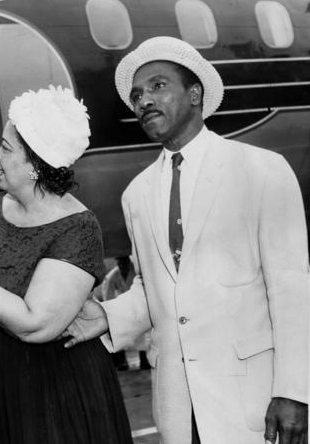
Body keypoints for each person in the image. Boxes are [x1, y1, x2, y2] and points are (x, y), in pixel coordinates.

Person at [63, 36, 309, 444]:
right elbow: (156, 288)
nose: (143, 101)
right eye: (137, 95)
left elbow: (292, 288)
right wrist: (107, 317)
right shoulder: (136, 194)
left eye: (157, 86)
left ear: (195, 94)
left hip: (254, 401)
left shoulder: (262, 169)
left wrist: (295, 392)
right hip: (179, 408)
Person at [0, 85, 133, 444]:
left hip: (55, 387)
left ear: (35, 165)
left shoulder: (78, 227)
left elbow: (35, 324)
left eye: (7, 148)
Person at [100, 256, 150, 371]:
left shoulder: (138, 272)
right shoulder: (112, 276)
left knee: (143, 334)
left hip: (138, 304)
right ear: (118, 263)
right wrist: (112, 312)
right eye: (121, 263)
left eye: (125, 262)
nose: (124, 266)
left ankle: (144, 360)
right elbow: (108, 295)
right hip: (121, 306)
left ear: (129, 261)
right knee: (116, 331)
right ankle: (120, 361)